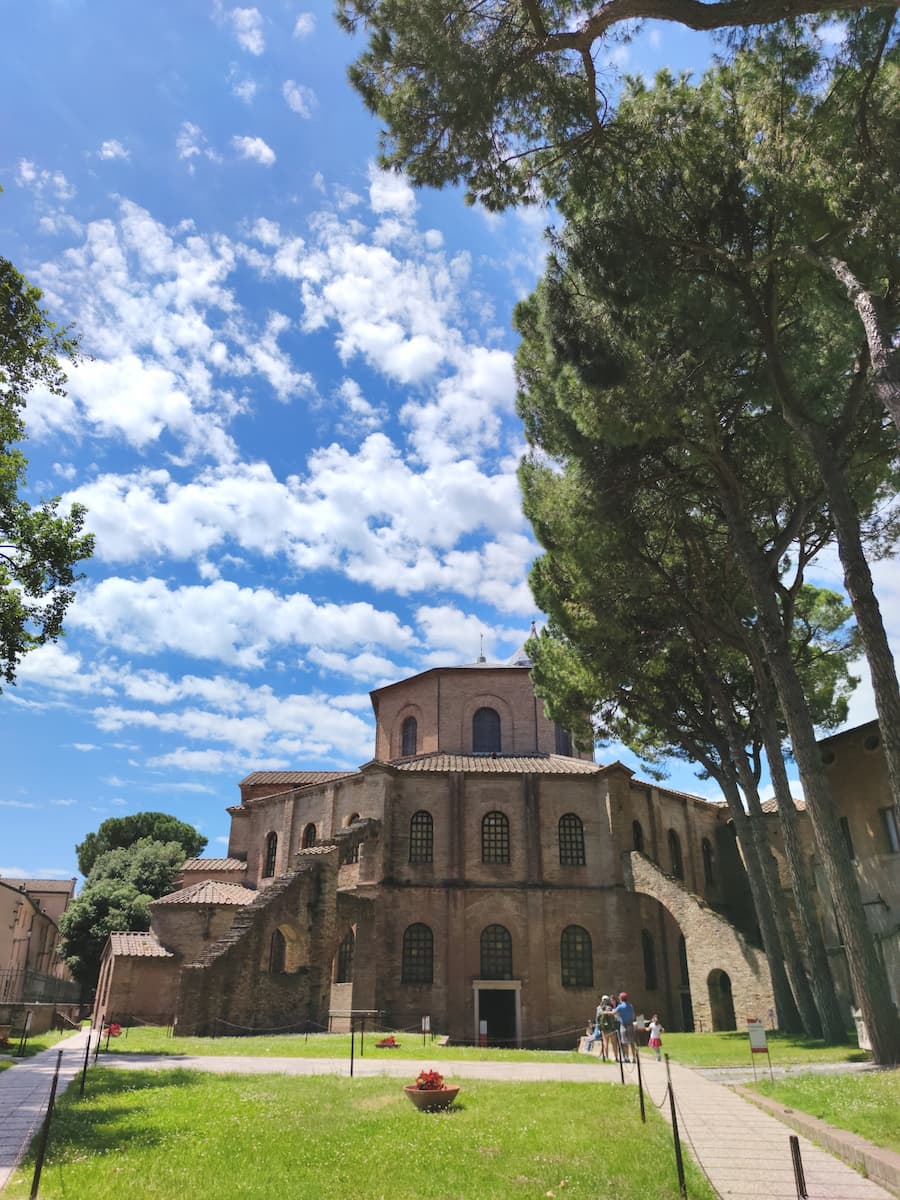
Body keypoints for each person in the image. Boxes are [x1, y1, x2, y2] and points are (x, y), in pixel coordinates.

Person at [614, 991, 636, 1062]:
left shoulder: (620, 1006)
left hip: (623, 1025)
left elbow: (613, 1013)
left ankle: (627, 1058)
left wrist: (605, 1012)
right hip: (630, 1025)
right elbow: (633, 1016)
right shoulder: (630, 1006)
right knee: (632, 1042)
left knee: (624, 1042)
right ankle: (634, 1058)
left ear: (621, 998)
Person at [597, 994, 617, 1061]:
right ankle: (616, 1057)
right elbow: (612, 1018)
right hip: (611, 1028)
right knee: (614, 1043)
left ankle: (606, 1057)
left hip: (604, 1028)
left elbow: (597, 1019)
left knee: (605, 1043)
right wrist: (613, 1025)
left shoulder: (598, 1008)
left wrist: (599, 1028)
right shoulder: (610, 1008)